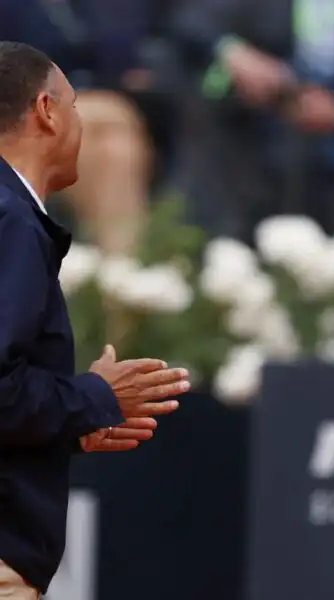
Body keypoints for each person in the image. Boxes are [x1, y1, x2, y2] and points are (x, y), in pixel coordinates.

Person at [0, 42, 191, 599]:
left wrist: (71, 423)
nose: (80, 123)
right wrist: (92, 397)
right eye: (77, 106)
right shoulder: (10, 219)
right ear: (47, 111)